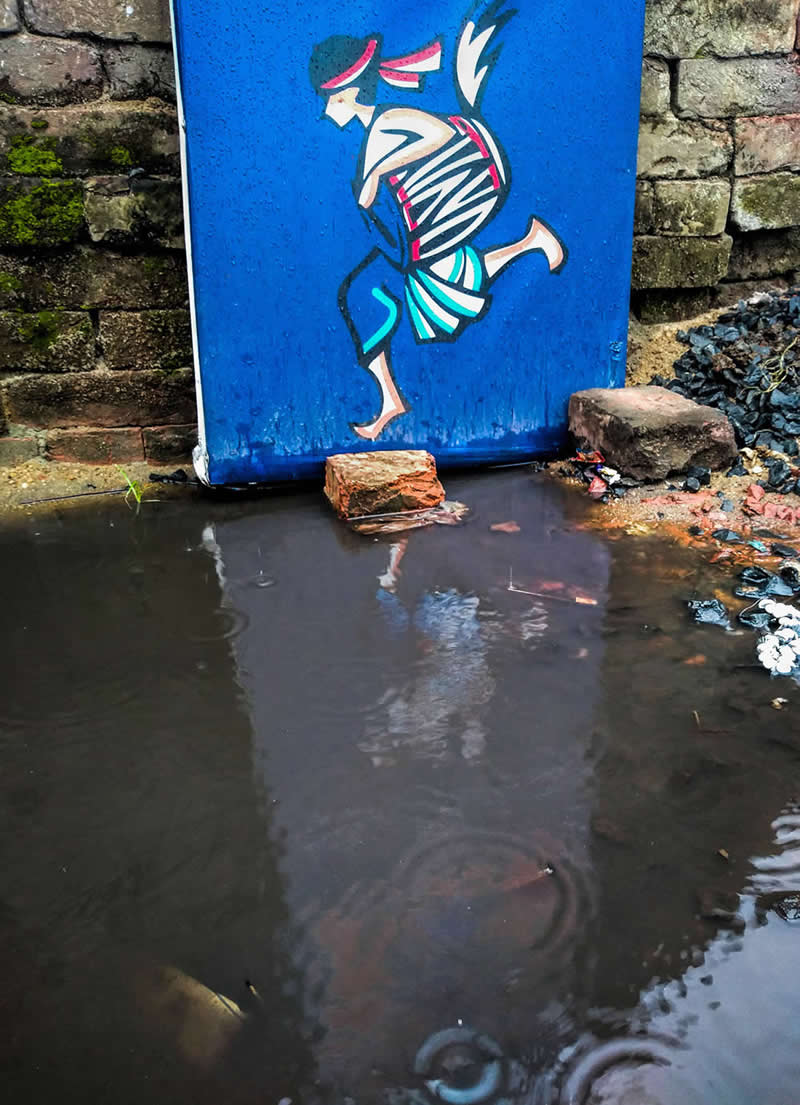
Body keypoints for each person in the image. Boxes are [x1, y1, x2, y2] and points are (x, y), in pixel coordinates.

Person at [310, 2, 567, 440]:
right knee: (425, 292)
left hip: (426, 227)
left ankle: (530, 242)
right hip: (405, 242)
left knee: (407, 291)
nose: (325, 112)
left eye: (328, 101)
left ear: (347, 94)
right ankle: (391, 399)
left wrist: (376, 173)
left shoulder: (388, 121)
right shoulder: (372, 132)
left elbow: (444, 134)